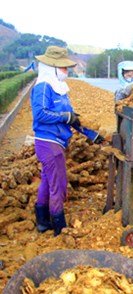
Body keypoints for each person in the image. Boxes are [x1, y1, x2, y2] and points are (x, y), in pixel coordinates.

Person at [31, 46, 105, 236]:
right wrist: (65, 117)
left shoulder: (59, 88)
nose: (67, 71)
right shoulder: (43, 86)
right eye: (64, 68)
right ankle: (59, 228)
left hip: (56, 142)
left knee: (48, 182)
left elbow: (72, 117)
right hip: (48, 143)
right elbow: (40, 114)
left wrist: (92, 134)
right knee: (59, 186)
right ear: (52, 67)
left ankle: (42, 222)